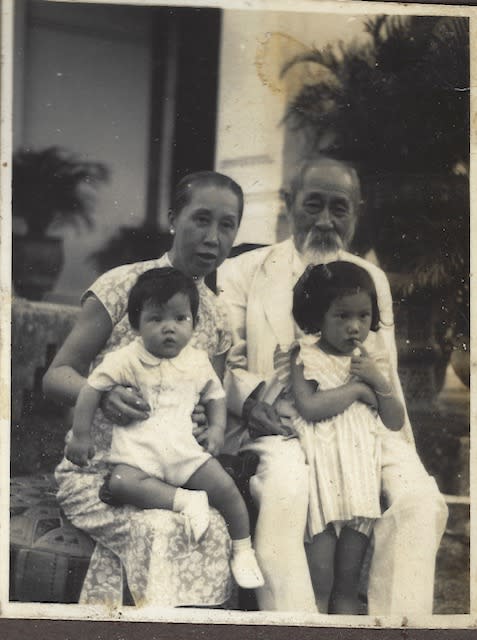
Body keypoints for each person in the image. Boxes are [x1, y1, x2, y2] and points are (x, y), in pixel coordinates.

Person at [217, 155, 448, 615]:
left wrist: (401, 449)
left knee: (419, 498)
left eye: (339, 208)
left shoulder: (370, 280)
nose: (325, 221)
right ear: (288, 204)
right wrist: (248, 405)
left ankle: (399, 624)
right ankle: (296, 620)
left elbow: (384, 368)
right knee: (287, 489)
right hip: (279, 424)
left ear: (356, 212)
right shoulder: (242, 272)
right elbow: (227, 362)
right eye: (313, 205)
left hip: (362, 424)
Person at [43, 170, 245, 607]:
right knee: (162, 532)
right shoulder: (121, 286)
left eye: (227, 226)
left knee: (211, 529)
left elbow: (209, 399)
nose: (213, 237)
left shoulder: (217, 318)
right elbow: (56, 375)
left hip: (172, 472)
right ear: (174, 219)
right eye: (201, 219)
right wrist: (102, 396)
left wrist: (200, 419)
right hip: (99, 472)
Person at [66, 267, 264, 589]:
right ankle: (185, 501)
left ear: (193, 322)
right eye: (156, 319)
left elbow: (215, 396)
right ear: (136, 325)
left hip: (183, 452)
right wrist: (81, 435)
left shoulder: (197, 360)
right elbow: (92, 389)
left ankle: (243, 550)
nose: (169, 329)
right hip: (139, 453)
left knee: (227, 490)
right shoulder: (125, 358)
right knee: (119, 482)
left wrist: (215, 430)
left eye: (180, 319)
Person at [278, 261, 404, 614]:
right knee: (321, 583)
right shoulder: (307, 355)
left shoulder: (370, 361)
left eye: (364, 317)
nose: (355, 327)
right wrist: (357, 393)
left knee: (348, 588)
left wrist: (379, 384)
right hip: (323, 482)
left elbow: (394, 420)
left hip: (360, 484)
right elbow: (310, 407)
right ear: (318, 316)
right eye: (342, 316)